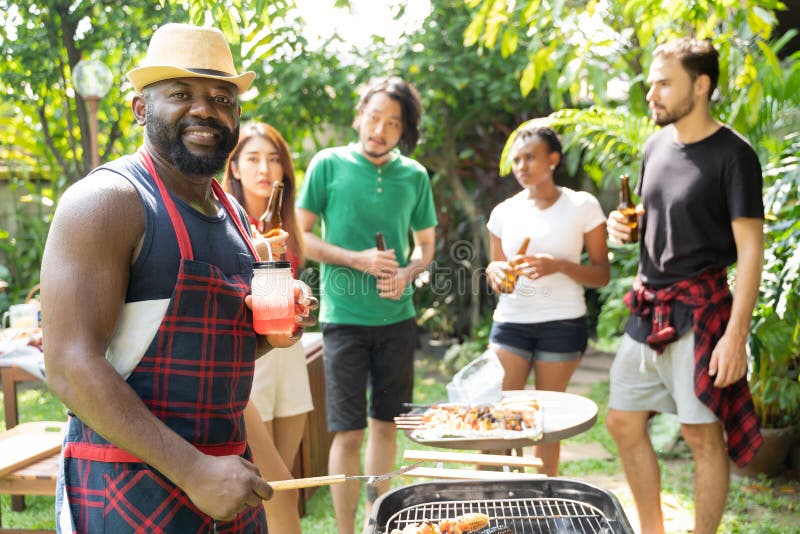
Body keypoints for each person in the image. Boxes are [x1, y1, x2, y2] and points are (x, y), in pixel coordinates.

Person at [40, 23, 316, 533]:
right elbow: (69, 364)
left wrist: (276, 333)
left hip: (228, 481)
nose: (205, 109)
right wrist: (192, 470)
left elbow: (203, 344)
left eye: (222, 96)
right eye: (180, 94)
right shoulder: (107, 203)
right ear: (141, 110)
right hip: (129, 489)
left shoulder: (233, 213)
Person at [605, 38, 764, 534]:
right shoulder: (655, 145)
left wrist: (735, 337)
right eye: (651, 82)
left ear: (701, 85)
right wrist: (624, 230)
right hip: (648, 307)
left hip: (701, 312)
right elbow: (657, 222)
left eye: (664, 82)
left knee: (700, 436)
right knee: (623, 422)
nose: (651, 92)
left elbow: (751, 249)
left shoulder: (734, 156)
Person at [296, 76, 437, 534]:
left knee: (385, 426)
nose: (380, 128)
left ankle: (379, 524)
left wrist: (406, 274)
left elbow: (426, 250)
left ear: (403, 131)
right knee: (349, 431)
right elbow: (302, 236)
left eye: (393, 123)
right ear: (359, 115)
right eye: (374, 116)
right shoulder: (328, 165)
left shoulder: (414, 176)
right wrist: (356, 259)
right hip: (343, 320)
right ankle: (344, 530)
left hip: (397, 318)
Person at [485, 123, 609, 476]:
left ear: (553, 159)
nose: (522, 166)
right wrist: (496, 275)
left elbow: (601, 274)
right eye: (517, 160)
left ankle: (541, 499)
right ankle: (501, 496)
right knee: (499, 412)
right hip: (511, 323)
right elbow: (497, 270)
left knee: (545, 418)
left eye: (531, 158)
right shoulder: (503, 212)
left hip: (562, 323)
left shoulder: (582, 206)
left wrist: (558, 266)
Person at [222, 122, 312, 534]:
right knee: (276, 486)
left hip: (288, 355)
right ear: (234, 166)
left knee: (285, 482)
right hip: (249, 361)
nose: (265, 169)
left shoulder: (284, 223)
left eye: (274, 159)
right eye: (253, 158)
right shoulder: (223, 220)